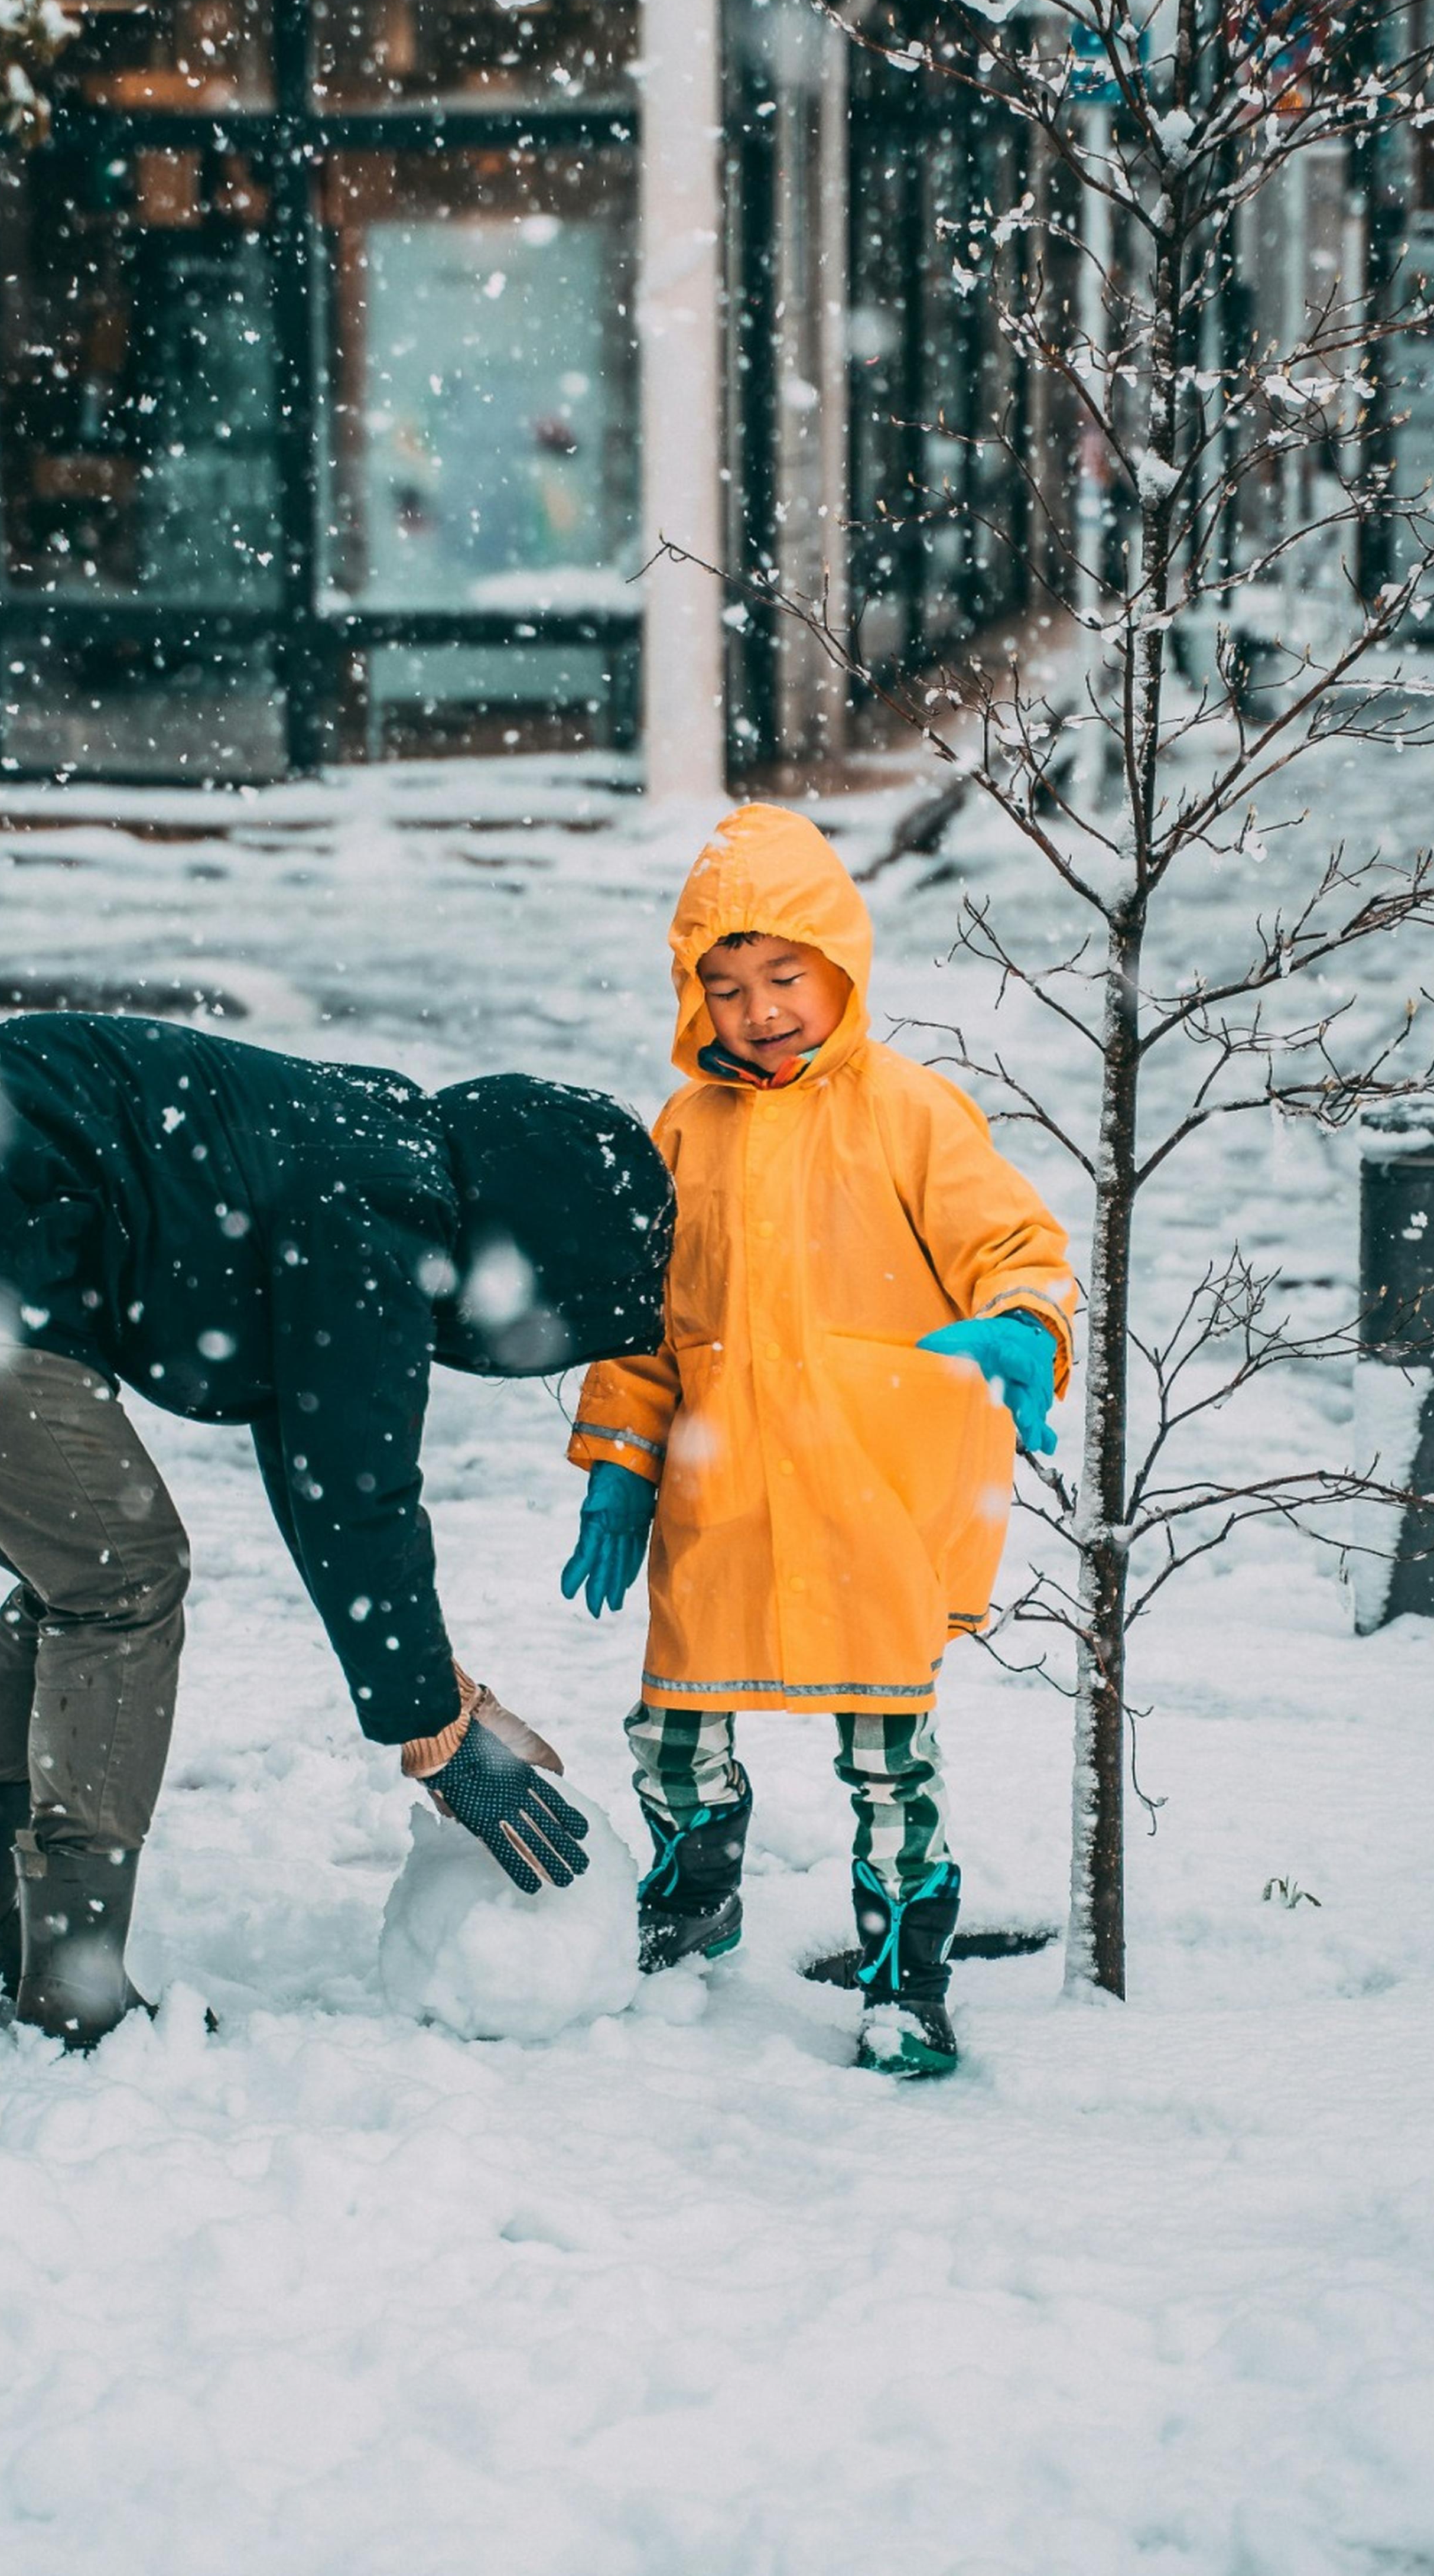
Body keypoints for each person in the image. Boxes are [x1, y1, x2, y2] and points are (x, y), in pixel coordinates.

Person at [0, 1015, 672, 2047]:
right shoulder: (383, 1215)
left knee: (83, 1567)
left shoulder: (367, 1158)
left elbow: (322, 1463)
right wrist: (432, 1728)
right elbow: (355, 1493)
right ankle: (72, 1981)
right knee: (118, 1572)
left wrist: (436, 1703)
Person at [558, 804, 1075, 2082]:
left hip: (865, 1496)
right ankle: (691, 1891)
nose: (759, 1008)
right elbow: (643, 1322)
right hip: (719, 1491)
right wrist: (622, 1465)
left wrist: (1023, 1327)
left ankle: (906, 1974)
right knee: (673, 1728)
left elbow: (1011, 1246)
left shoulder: (909, 1111)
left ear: (839, 963)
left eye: (784, 974)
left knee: (887, 1756)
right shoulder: (682, 1132)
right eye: (723, 985)